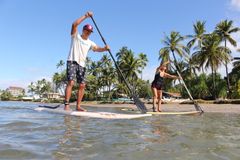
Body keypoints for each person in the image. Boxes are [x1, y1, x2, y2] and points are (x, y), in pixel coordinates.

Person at [64, 11, 110, 111]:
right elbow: (74, 24)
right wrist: (85, 16)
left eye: (90, 32)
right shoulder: (75, 36)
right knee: (71, 82)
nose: (88, 33)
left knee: (82, 85)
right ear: (83, 30)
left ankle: (78, 106)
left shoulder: (90, 42)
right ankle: (66, 105)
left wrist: (105, 49)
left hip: (82, 64)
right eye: (87, 31)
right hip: (72, 61)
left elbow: (97, 49)